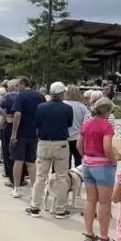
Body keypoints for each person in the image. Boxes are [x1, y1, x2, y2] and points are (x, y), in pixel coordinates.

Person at [25, 82, 73, 219]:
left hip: (44, 143)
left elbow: (37, 124)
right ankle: (60, 209)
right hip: (61, 143)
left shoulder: (41, 107)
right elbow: (69, 124)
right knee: (61, 177)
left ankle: (35, 207)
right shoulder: (67, 108)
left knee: (41, 176)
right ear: (62, 94)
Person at [78, 98, 118, 241]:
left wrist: (85, 157)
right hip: (103, 166)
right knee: (105, 203)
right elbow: (107, 147)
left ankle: (89, 233)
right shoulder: (106, 126)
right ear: (107, 111)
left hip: (87, 164)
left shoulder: (86, 123)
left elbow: (79, 145)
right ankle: (103, 236)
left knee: (90, 200)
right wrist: (113, 161)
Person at [9, 77, 45, 197]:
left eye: (17, 85)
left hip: (21, 133)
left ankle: (16, 188)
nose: (16, 87)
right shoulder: (40, 96)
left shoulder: (21, 96)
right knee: (31, 162)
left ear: (23, 84)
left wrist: (14, 133)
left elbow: (17, 114)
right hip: (34, 133)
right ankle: (34, 189)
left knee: (18, 160)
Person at [64, 85, 90, 168]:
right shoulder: (82, 107)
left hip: (65, 137)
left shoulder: (62, 105)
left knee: (65, 162)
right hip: (78, 137)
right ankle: (78, 179)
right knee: (79, 162)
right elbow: (88, 122)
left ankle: (67, 179)